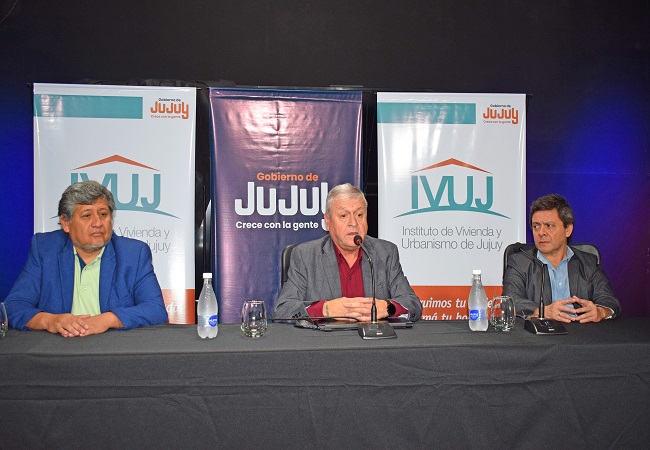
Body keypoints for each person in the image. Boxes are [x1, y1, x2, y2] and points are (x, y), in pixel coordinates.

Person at [4, 180, 168, 337]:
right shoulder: (45, 249)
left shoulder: (133, 253)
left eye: (103, 214)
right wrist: (51, 321)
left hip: (112, 346)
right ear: (65, 223)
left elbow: (156, 310)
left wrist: (108, 319)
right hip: (58, 346)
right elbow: (14, 306)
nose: (98, 223)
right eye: (87, 215)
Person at [274, 183, 422, 322]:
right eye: (344, 216)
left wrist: (388, 308)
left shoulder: (385, 252)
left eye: (359, 215)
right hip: (326, 339)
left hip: (374, 339)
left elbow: (413, 305)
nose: (353, 223)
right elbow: (283, 310)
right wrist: (325, 309)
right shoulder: (305, 256)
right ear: (328, 221)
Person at [503, 194, 620, 323]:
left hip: (582, 332)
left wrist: (600, 312)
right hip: (540, 332)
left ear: (568, 229)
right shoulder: (519, 262)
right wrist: (543, 311)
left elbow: (609, 300)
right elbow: (510, 300)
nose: (541, 232)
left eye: (549, 225)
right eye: (536, 226)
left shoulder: (588, 263)